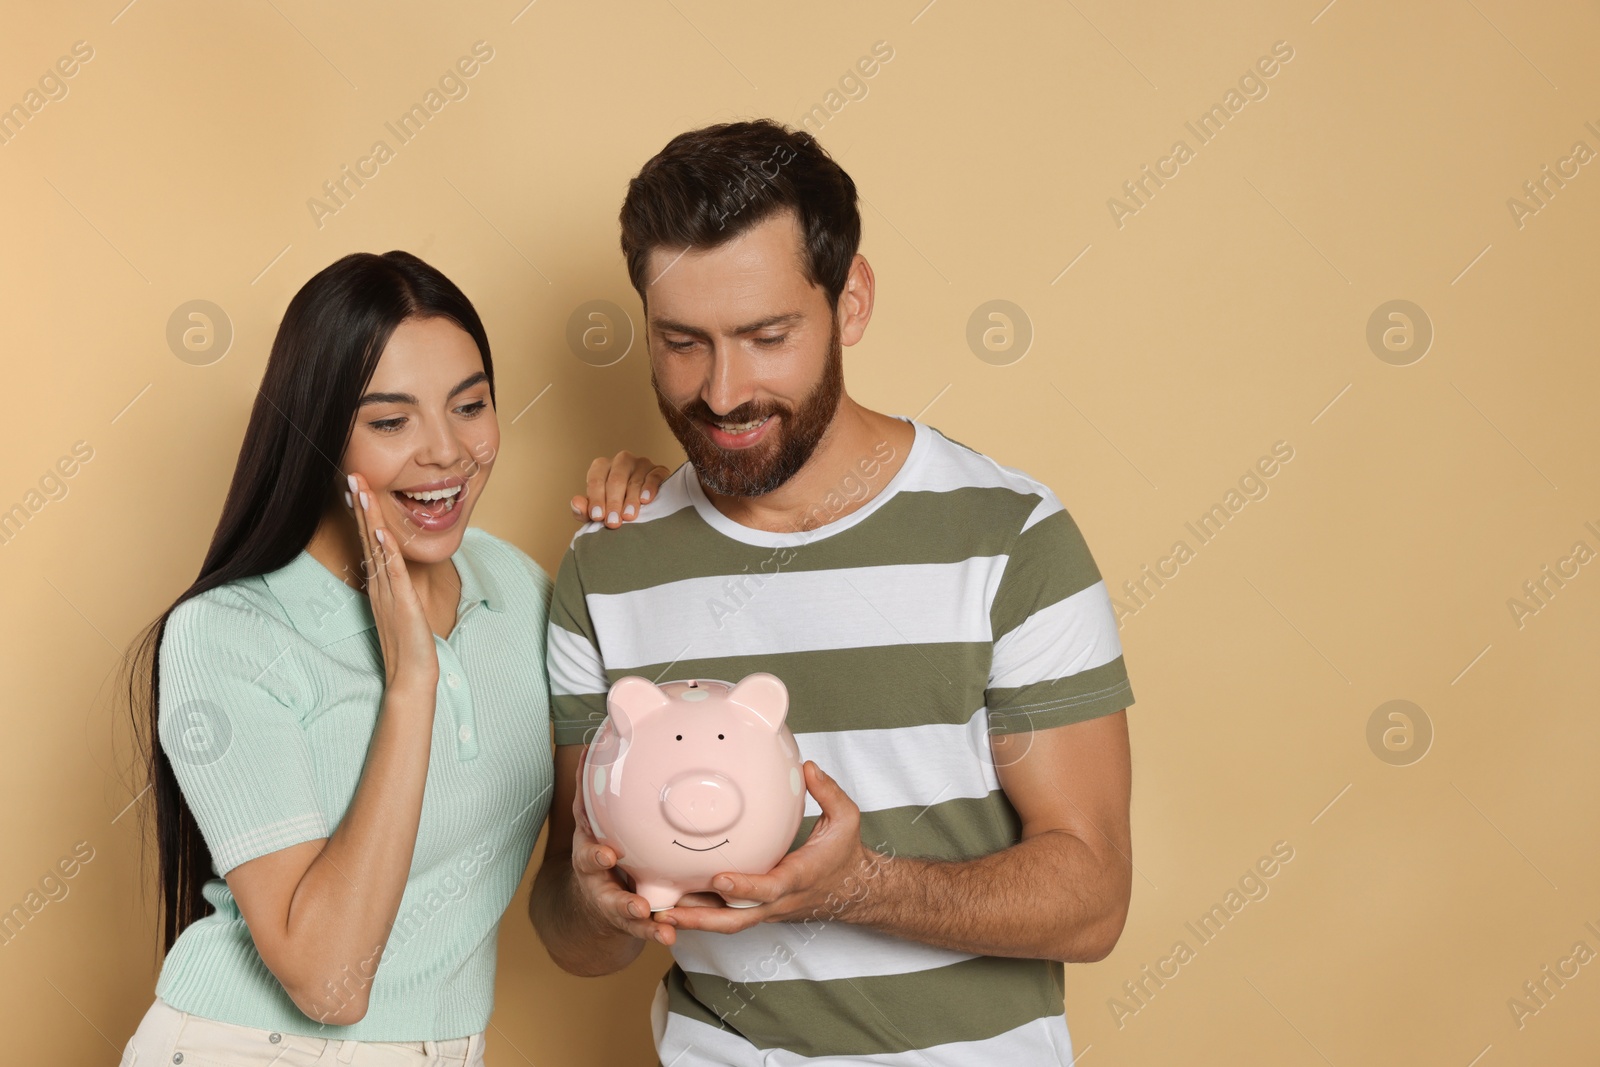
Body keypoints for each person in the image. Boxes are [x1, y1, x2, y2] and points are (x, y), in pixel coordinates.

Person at [529, 120, 1138, 1066]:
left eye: (766, 335)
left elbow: (1094, 895)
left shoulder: (1009, 538)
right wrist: (600, 902)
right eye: (682, 342)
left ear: (850, 300)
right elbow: (571, 935)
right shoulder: (607, 565)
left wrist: (859, 886)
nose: (724, 392)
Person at [119, 250, 667, 1066]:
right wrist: (413, 684)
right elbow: (330, 984)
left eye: (470, 405)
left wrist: (672, 529)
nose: (446, 452)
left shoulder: (518, 589)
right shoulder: (228, 633)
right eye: (389, 421)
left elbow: (576, 915)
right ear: (316, 434)